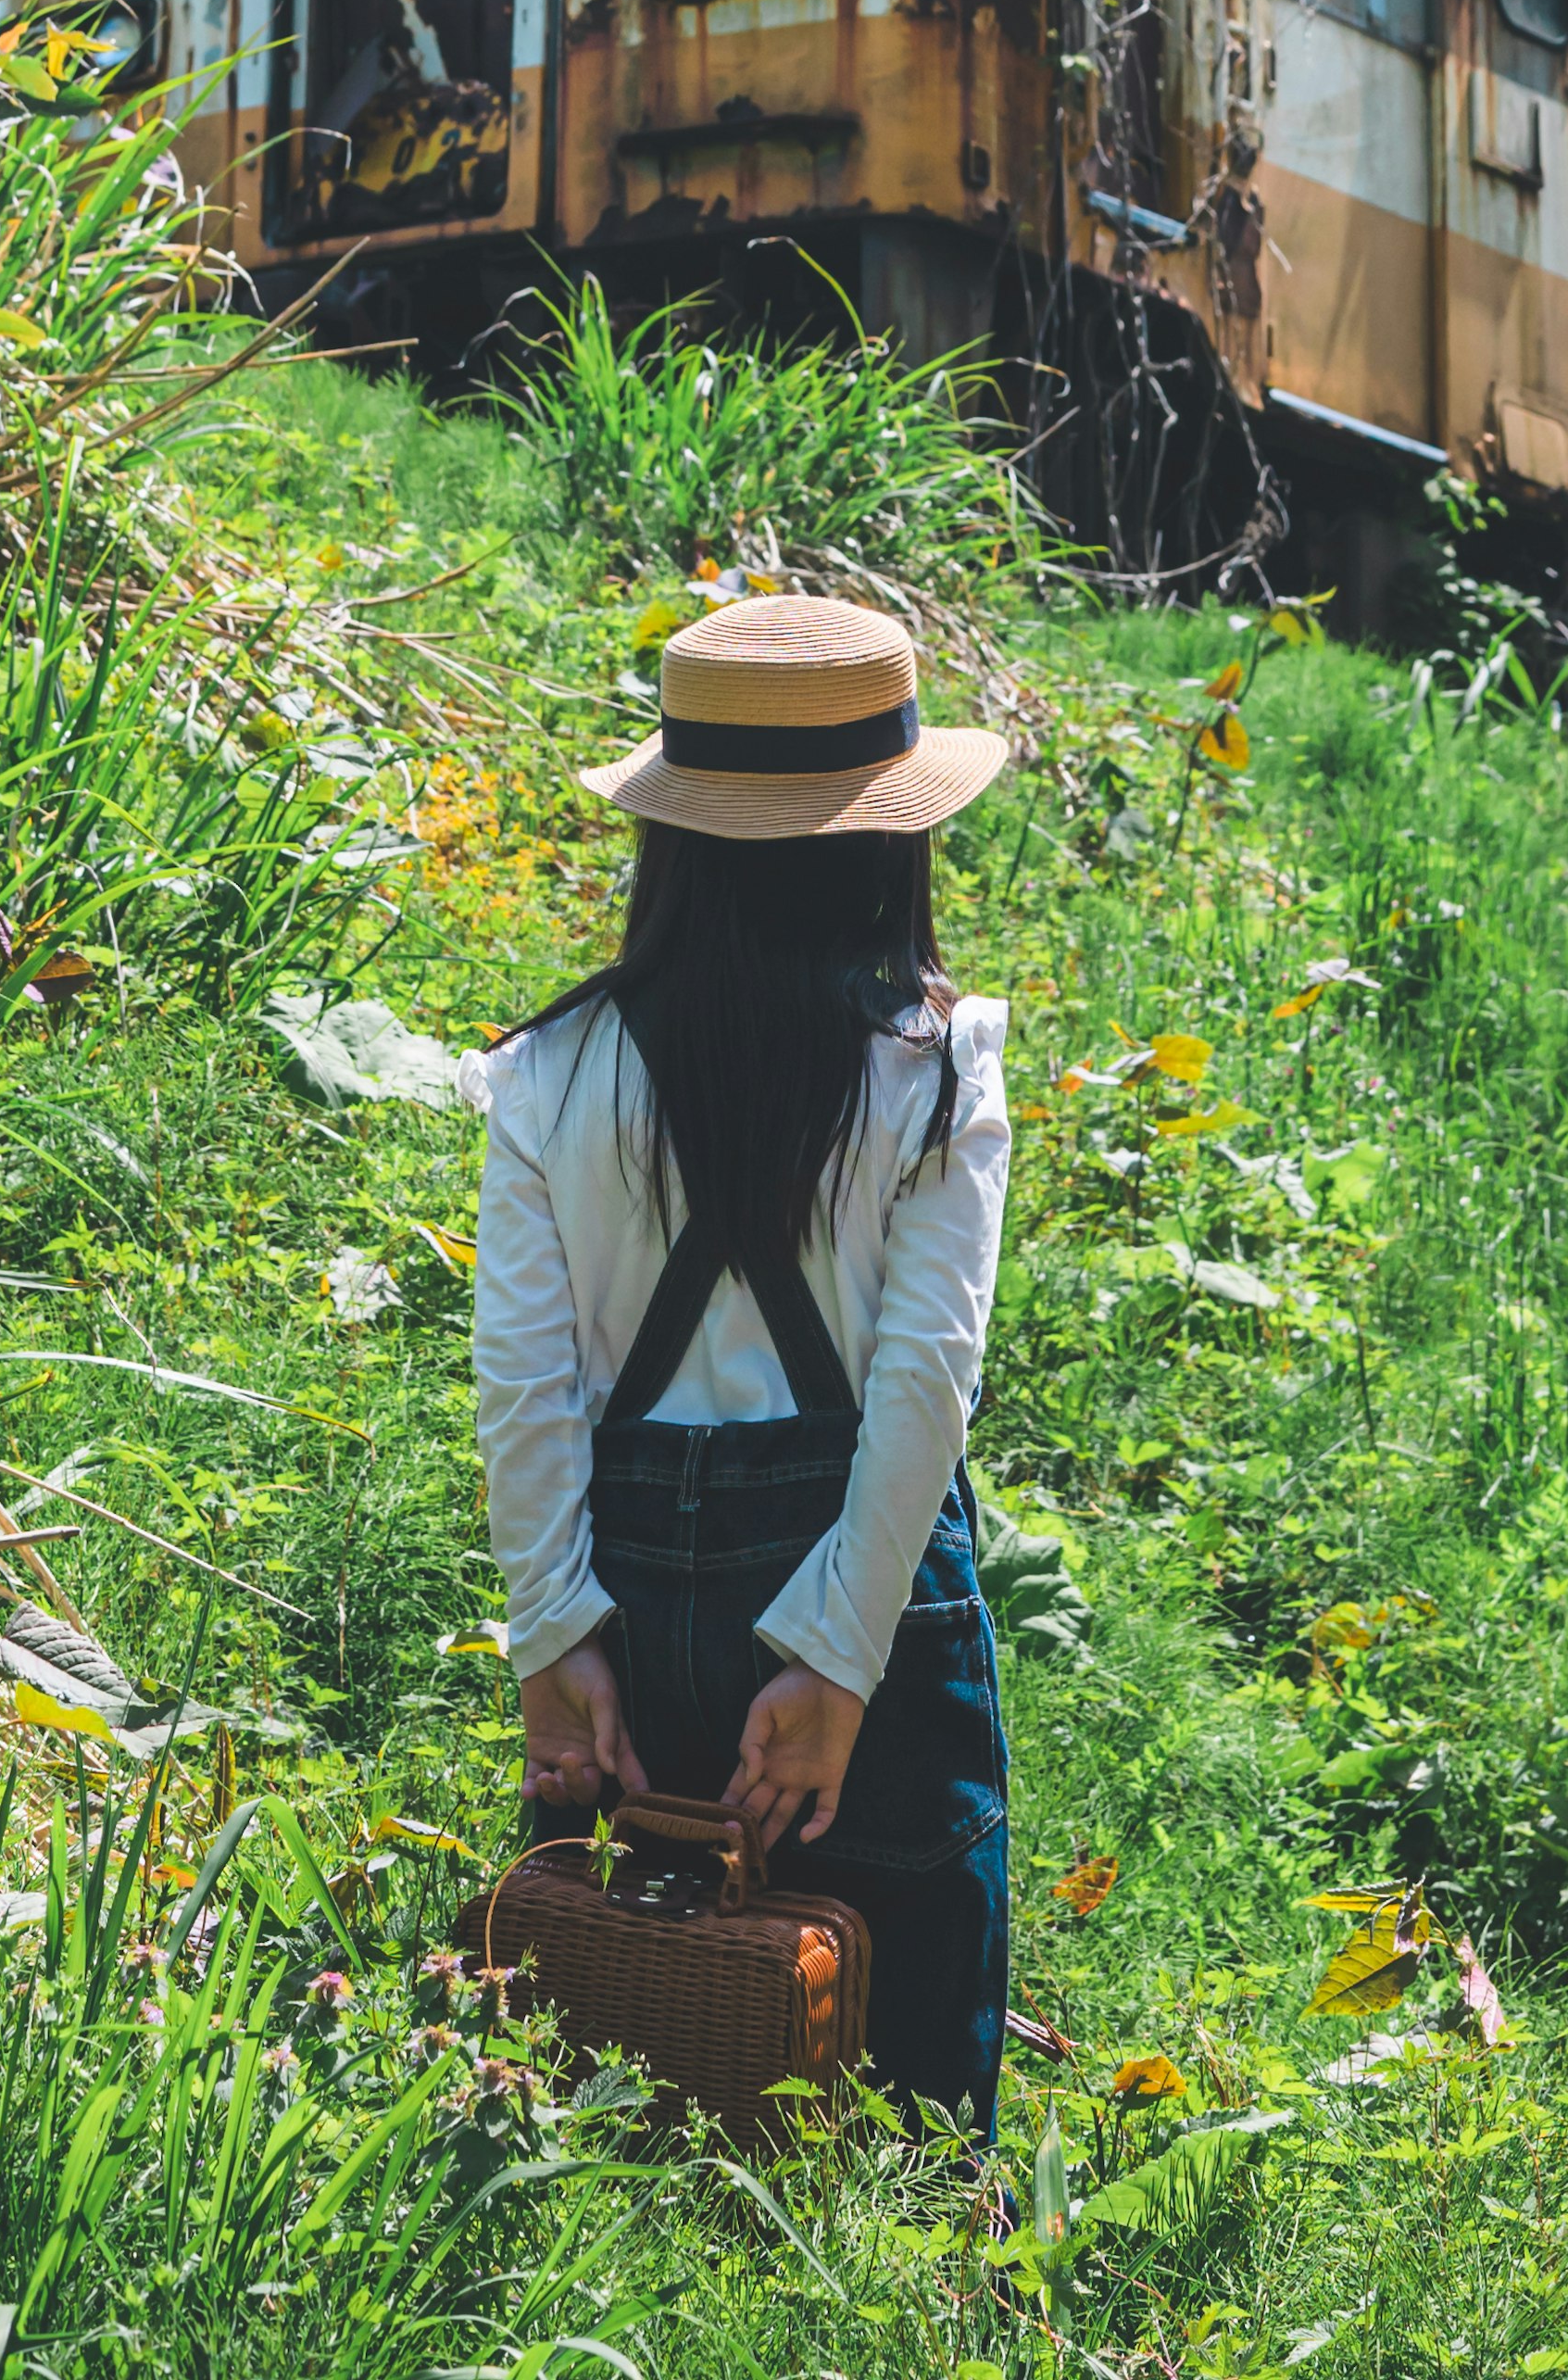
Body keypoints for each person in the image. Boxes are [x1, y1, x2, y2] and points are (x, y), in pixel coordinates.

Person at [470, 591, 1016, 2134]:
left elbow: (526, 1392)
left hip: (624, 1625)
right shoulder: (938, 1069)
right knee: (896, 2125)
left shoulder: (547, 1072)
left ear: (675, 831)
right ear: (891, 834)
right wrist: (837, 1661)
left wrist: (553, 1632)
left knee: (620, 2084)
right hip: (868, 1619)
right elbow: (922, 1392)